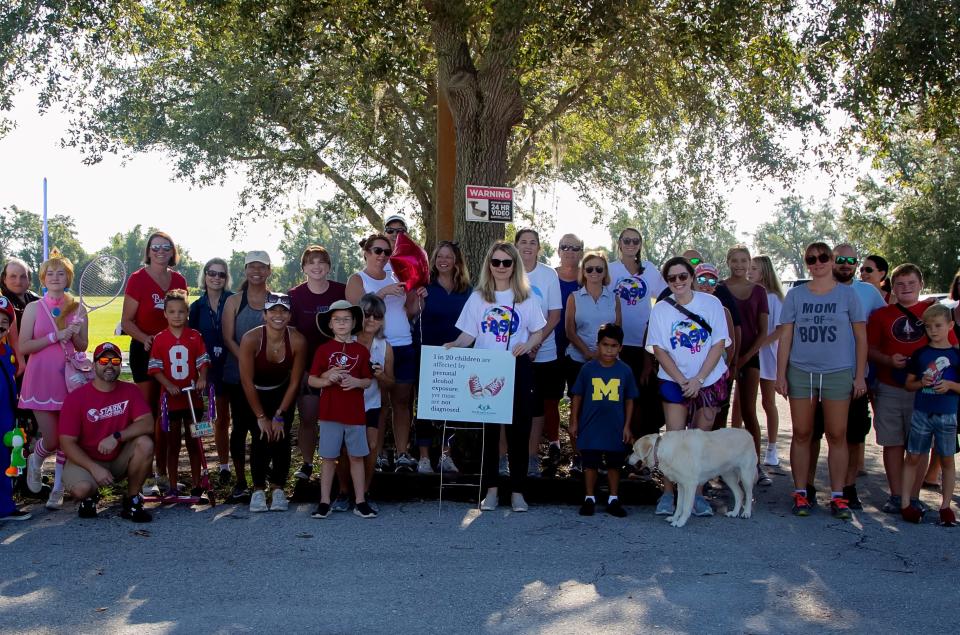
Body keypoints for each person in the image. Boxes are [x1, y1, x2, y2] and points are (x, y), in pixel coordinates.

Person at [445, 241, 546, 512]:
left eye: (506, 262)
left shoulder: (526, 298)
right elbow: (469, 334)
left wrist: (530, 344)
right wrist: (454, 345)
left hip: (517, 368)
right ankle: (490, 490)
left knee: (519, 433)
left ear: (515, 265)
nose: (501, 267)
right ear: (489, 265)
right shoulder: (479, 297)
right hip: (486, 368)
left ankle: (517, 491)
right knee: (489, 435)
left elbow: (538, 329)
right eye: (496, 262)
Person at [776, 242, 867, 520]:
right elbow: (786, 336)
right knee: (802, 433)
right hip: (802, 371)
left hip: (838, 371)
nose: (818, 263)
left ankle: (838, 496)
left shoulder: (848, 296)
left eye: (823, 258)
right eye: (812, 259)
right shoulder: (796, 295)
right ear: (807, 263)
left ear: (831, 260)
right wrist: (781, 374)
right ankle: (801, 492)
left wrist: (860, 375)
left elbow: (861, 338)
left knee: (837, 434)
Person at [867, 264, 957, 513]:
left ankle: (914, 496)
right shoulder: (881, 315)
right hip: (890, 385)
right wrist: (887, 359)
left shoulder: (933, 312)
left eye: (911, 283)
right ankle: (897, 495)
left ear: (921, 284)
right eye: (900, 284)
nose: (906, 288)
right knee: (892, 443)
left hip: (925, 392)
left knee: (919, 445)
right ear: (892, 287)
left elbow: (952, 349)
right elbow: (870, 348)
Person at [647, 256, 731, 518]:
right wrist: (683, 380)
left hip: (708, 379)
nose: (678, 282)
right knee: (674, 437)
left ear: (691, 277)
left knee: (698, 440)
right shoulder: (661, 309)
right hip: (674, 379)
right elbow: (659, 349)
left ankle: (696, 494)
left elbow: (719, 343)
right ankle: (668, 493)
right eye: (672, 278)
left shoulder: (711, 303)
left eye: (683, 276)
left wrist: (700, 379)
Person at [807, 244, 887, 509]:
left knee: (852, 436)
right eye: (839, 259)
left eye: (851, 260)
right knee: (813, 434)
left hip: (855, 377)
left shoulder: (868, 293)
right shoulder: (812, 290)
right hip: (817, 376)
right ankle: (806, 486)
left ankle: (847, 488)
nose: (845, 264)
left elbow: (883, 325)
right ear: (830, 260)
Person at [346, 232, 420, 472]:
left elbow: (411, 310)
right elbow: (356, 312)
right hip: (373, 347)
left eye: (387, 252)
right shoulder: (358, 279)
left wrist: (418, 296)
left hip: (403, 344)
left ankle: (402, 453)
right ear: (366, 252)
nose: (382, 256)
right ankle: (373, 454)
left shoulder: (398, 274)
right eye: (377, 251)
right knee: (377, 403)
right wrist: (381, 293)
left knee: (401, 402)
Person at [20, 252, 88, 510]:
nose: (55, 277)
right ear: (43, 279)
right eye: (50, 273)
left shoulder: (77, 308)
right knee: (50, 438)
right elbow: (25, 345)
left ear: (68, 277)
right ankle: (35, 462)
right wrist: (55, 336)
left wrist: (75, 332)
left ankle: (58, 488)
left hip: (70, 381)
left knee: (67, 437)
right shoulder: (33, 308)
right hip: (40, 379)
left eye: (61, 273)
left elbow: (83, 345)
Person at [120, 231, 188, 492]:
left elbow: (182, 316)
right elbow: (127, 322)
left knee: (168, 417)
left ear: (172, 251)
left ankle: (164, 474)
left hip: (173, 355)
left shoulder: (178, 279)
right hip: (145, 352)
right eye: (155, 247)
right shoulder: (138, 279)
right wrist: (146, 338)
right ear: (148, 251)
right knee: (147, 414)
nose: (160, 251)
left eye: (166, 247)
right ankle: (145, 475)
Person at [59, 342, 154, 522]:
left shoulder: (131, 391)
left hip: (118, 458)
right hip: (86, 462)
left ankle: (132, 499)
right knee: (82, 488)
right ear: (94, 364)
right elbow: (66, 443)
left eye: (115, 360)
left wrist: (117, 436)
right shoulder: (76, 398)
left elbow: (148, 424)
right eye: (103, 360)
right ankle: (90, 496)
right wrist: (94, 469)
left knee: (145, 443)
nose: (109, 364)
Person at [237, 292, 307, 513]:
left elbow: (295, 383)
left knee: (281, 436)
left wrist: (278, 416)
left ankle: (278, 488)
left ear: (289, 315)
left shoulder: (297, 340)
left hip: (282, 392)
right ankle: (258, 489)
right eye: (273, 311)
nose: (279, 315)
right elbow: (246, 382)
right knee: (260, 436)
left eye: (284, 311)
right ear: (264, 315)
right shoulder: (251, 338)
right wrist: (261, 417)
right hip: (253, 393)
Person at [308, 300, 377, 519]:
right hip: (330, 414)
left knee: (357, 457)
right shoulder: (323, 350)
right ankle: (324, 501)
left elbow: (367, 380)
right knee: (329, 458)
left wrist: (356, 382)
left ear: (354, 322)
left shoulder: (361, 351)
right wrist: (328, 378)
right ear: (330, 324)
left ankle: (360, 501)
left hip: (355, 415)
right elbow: (312, 380)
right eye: (337, 319)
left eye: (346, 319)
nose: (342, 323)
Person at [287, 245, 346, 487]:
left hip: (340, 367)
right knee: (309, 418)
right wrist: (298, 371)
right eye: (311, 262)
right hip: (308, 368)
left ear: (329, 267)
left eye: (322, 261)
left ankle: (335, 466)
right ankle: (308, 463)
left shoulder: (341, 292)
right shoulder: (294, 295)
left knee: (337, 420)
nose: (317, 266)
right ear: (304, 268)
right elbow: (289, 334)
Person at [414, 241, 471, 473]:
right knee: (426, 406)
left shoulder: (467, 290)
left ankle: (446, 455)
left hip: (457, 355)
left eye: (448, 256)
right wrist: (419, 300)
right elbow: (411, 313)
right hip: (429, 354)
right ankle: (424, 457)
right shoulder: (425, 286)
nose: (444, 260)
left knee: (452, 406)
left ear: (456, 261)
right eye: (439, 256)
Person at [570, 323, 637, 518]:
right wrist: (574, 421)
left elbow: (630, 399)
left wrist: (627, 426)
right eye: (605, 344)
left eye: (614, 345)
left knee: (614, 464)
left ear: (620, 348)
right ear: (598, 345)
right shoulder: (587, 369)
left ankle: (613, 498)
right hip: (591, 426)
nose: (609, 349)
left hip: (615, 427)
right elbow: (577, 396)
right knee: (590, 463)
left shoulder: (625, 371)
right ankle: (589, 497)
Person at [900, 303, 958, 526]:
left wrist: (951, 385)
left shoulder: (955, 355)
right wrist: (920, 382)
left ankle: (945, 507)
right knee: (913, 455)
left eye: (938, 325)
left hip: (947, 413)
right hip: (922, 412)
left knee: (947, 459)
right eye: (928, 326)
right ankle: (906, 503)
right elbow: (908, 384)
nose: (933, 330)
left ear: (950, 325)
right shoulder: (921, 354)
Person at [148, 290, 210, 499]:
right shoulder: (160, 339)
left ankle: (196, 484)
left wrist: (202, 378)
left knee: (195, 442)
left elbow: (203, 361)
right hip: (171, 401)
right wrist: (168, 385)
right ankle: (173, 485)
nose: (177, 316)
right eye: (172, 312)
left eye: (181, 312)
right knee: (172, 443)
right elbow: (155, 368)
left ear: (187, 313)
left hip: (193, 400)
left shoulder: (194, 336)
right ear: (165, 313)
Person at [221, 250, 271, 501]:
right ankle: (241, 482)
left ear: (269, 271)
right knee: (240, 428)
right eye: (252, 267)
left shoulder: (276, 300)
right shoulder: (234, 302)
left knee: (262, 428)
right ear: (245, 271)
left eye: (262, 267)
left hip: (267, 377)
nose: (257, 272)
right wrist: (246, 361)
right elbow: (228, 337)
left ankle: (261, 482)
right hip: (237, 374)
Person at [608, 228, 667, 440]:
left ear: (640, 244)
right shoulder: (610, 270)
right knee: (620, 396)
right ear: (619, 243)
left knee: (644, 398)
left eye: (636, 241)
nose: (631, 244)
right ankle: (620, 447)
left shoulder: (649, 270)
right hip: (616, 345)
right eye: (627, 240)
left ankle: (645, 448)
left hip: (644, 345)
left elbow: (665, 298)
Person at [566, 251, 620, 473]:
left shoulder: (613, 298)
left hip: (608, 364)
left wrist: (604, 355)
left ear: (605, 272)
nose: (594, 273)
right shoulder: (574, 298)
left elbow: (618, 331)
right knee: (578, 409)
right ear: (583, 272)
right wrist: (587, 353)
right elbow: (569, 330)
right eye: (590, 269)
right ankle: (578, 456)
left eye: (599, 269)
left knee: (605, 408)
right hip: (579, 360)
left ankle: (603, 456)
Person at [515, 229, 562, 478]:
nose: (528, 247)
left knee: (537, 408)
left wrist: (535, 343)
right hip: (512, 352)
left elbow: (554, 315)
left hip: (544, 352)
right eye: (523, 242)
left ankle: (532, 457)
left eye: (533, 243)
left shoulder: (548, 274)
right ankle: (503, 458)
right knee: (505, 406)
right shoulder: (507, 269)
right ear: (516, 245)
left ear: (539, 247)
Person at [721, 246, 770, 485]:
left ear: (750, 262)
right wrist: (731, 359)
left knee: (749, 411)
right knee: (720, 411)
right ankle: (719, 466)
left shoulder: (759, 291)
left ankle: (755, 466)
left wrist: (744, 357)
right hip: (724, 357)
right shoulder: (720, 288)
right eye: (735, 261)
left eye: (744, 261)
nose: (740, 265)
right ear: (728, 262)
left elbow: (763, 331)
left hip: (750, 356)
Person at [188, 257, 234, 485]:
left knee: (237, 419)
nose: (216, 278)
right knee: (218, 417)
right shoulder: (196, 307)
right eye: (211, 273)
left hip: (233, 364)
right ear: (204, 275)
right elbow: (191, 340)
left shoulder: (234, 300)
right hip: (209, 369)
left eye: (221, 274)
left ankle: (235, 466)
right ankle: (223, 466)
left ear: (226, 278)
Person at [352, 293, 394, 511]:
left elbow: (391, 384)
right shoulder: (345, 339)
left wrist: (380, 375)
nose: (371, 320)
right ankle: (342, 492)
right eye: (366, 314)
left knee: (372, 447)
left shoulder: (385, 346)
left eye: (376, 316)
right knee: (342, 449)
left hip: (371, 404)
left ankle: (365, 492)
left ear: (382, 320)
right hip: (346, 404)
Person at [748, 255, 785, 467]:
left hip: (768, 355)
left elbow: (781, 329)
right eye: (749, 267)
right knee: (743, 403)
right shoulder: (749, 293)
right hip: (749, 354)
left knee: (768, 401)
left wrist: (761, 343)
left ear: (764, 271)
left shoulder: (775, 298)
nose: (750, 271)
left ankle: (771, 447)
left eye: (754, 268)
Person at [551, 233, 583, 468]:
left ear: (581, 251)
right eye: (565, 247)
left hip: (578, 350)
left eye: (575, 247)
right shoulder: (549, 277)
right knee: (550, 398)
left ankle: (579, 452)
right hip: (549, 346)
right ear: (558, 250)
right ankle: (554, 444)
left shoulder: (588, 277)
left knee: (577, 399)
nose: (570, 251)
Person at [0, 299, 31, 522]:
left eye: (5, 321)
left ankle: (5, 507)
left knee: (5, 461)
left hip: (6, 416)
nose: (1, 324)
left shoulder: (8, 351)